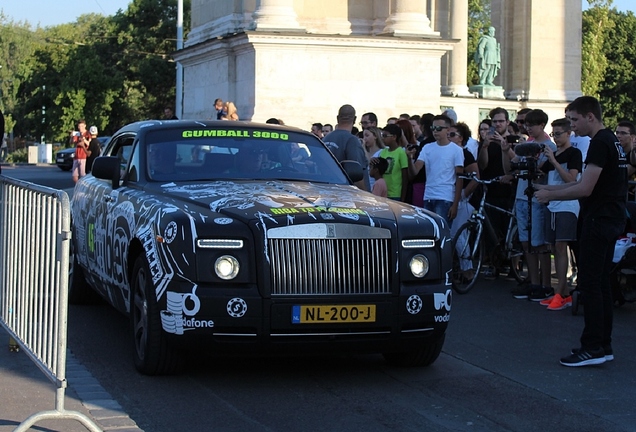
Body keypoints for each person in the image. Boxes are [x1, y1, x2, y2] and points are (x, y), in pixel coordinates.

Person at [535, 96, 627, 367]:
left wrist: (549, 195)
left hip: (599, 220)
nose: (572, 126)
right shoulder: (611, 140)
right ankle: (603, 345)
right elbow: (587, 185)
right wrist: (549, 190)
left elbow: (585, 188)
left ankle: (593, 347)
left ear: (590, 116)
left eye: (574, 120)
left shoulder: (600, 143)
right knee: (600, 284)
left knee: (591, 284)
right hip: (609, 217)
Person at [505, 109, 556, 301]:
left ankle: (545, 284)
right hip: (521, 196)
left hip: (537, 197)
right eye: (526, 125)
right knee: (526, 242)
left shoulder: (548, 146)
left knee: (539, 242)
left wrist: (535, 164)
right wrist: (507, 152)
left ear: (542, 125)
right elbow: (513, 165)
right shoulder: (526, 144)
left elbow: (543, 172)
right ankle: (533, 281)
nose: (528, 129)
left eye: (531, 125)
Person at [538, 118, 582, 310]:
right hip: (552, 204)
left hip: (568, 205)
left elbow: (571, 179)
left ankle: (560, 292)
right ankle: (561, 292)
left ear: (568, 133)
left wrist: (554, 161)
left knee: (561, 245)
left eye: (558, 134)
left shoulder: (574, 153)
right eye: (553, 133)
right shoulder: (552, 154)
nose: (555, 137)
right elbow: (541, 175)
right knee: (554, 248)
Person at [409, 114, 464, 224]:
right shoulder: (427, 147)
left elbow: (460, 178)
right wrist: (409, 158)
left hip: (445, 197)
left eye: (439, 128)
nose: (435, 131)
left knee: (442, 234)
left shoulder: (456, 150)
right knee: (429, 234)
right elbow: (415, 171)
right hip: (428, 196)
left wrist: (455, 204)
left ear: (448, 130)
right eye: (433, 128)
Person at [322, 104, 369, 191]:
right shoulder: (352, 140)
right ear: (354, 119)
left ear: (337, 118)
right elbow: (356, 174)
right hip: (347, 195)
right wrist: (366, 196)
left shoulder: (325, 140)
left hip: (327, 191)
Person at [376, 124, 408, 201]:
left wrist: (403, 198)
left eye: (385, 136)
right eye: (382, 136)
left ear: (394, 137)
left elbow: (405, 177)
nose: (382, 138)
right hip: (383, 193)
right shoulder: (383, 152)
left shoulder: (401, 152)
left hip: (395, 194)